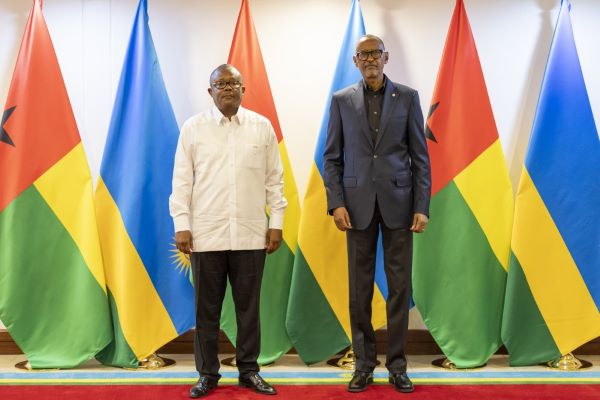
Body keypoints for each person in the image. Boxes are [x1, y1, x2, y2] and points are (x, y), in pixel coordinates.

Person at [170, 64, 286, 398]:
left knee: (249, 310)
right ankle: (207, 374)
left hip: (251, 233)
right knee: (206, 311)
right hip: (206, 234)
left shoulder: (261, 127)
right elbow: (182, 181)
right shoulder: (193, 128)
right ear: (210, 91)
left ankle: (249, 371)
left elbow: (274, 180)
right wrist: (182, 225)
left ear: (243, 89)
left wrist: (276, 223)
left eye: (233, 83)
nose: (227, 89)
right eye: (220, 84)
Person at [323, 34, 431, 394]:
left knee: (399, 289)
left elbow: (420, 157)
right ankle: (364, 364)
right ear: (355, 61)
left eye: (375, 53)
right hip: (355, 207)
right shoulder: (341, 100)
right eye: (363, 54)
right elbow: (332, 158)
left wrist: (421, 206)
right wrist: (336, 202)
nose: (370, 59)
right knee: (359, 290)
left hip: (400, 204)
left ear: (386, 57)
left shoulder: (409, 97)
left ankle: (397, 366)